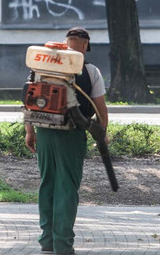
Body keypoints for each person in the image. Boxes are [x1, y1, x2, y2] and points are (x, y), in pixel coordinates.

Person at [25, 27, 109, 254]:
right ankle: (63, 245)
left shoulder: (41, 65)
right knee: (67, 188)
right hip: (71, 134)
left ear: (65, 42)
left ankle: (47, 242)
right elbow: (100, 107)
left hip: (43, 130)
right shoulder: (90, 71)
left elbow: (29, 99)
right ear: (84, 45)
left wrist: (29, 131)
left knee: (47, 184)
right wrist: (102, 133)